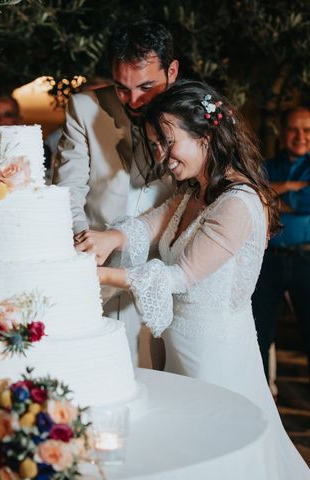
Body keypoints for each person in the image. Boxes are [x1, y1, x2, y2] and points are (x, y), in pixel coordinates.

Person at [92, 80, 309, 477]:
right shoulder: (199, 191)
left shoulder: (239, 204)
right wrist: (112, 236)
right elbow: (156, 221)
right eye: (155, 144)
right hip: (180, 349)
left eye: (167, 142)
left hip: (216, 358)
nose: (162, 156)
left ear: (205, 135)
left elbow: (180, 276)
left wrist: (101, 275)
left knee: (216, 455)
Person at [53, 20, 177, 365]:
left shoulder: (193, 113)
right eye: (123, 88)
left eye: (147, 86)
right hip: (98, 278)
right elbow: (67, 192)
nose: (134, 100)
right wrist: (88, 247)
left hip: (166, 274)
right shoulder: (84, 109)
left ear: (173, 70)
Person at [253, 106, 310, 387]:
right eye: (293, 129)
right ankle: (263, 399)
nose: (300, 136)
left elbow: (303, 204)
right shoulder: (265, 166)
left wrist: (273, 194)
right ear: (283, 132)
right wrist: (290, 185)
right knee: (258, 334)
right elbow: (253, 196)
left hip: (305, 259)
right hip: (268, 261)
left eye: (307, 130)